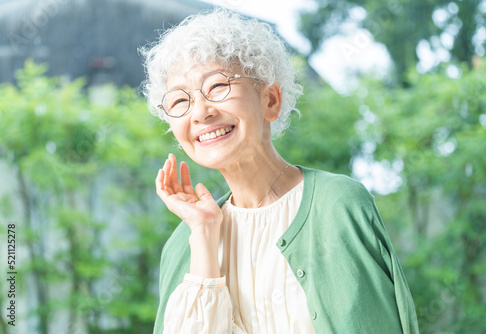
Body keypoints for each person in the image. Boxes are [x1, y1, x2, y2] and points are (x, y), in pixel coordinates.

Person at [141, 9, 419, 334]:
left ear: (270, 99)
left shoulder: (338, 207)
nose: (201, 112)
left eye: (217, 86)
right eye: (178, 102)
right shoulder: (182, 244)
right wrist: (203, 233)